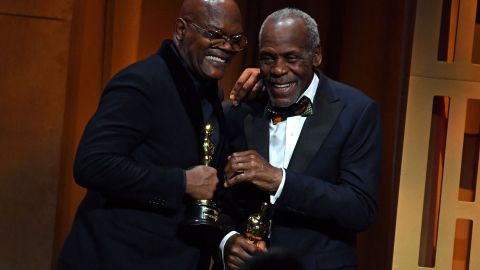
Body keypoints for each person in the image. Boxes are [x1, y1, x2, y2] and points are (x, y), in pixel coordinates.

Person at [55, 0, 248, 269]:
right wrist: (181, 182)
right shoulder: (141, 82)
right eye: (214, 35)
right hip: (117, 257)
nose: (227, 47)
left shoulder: (210, 91)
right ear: (181, 29)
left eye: (235, 39)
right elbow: (91, 164)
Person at [221, 8, 382, 270]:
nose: (278, 70)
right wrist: (226, 240)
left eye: (291, 57)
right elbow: (213, 196)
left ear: (316, 55)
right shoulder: (239, 110)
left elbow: (360, 208)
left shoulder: (357, 112)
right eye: (268, 58)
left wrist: (280, 180)